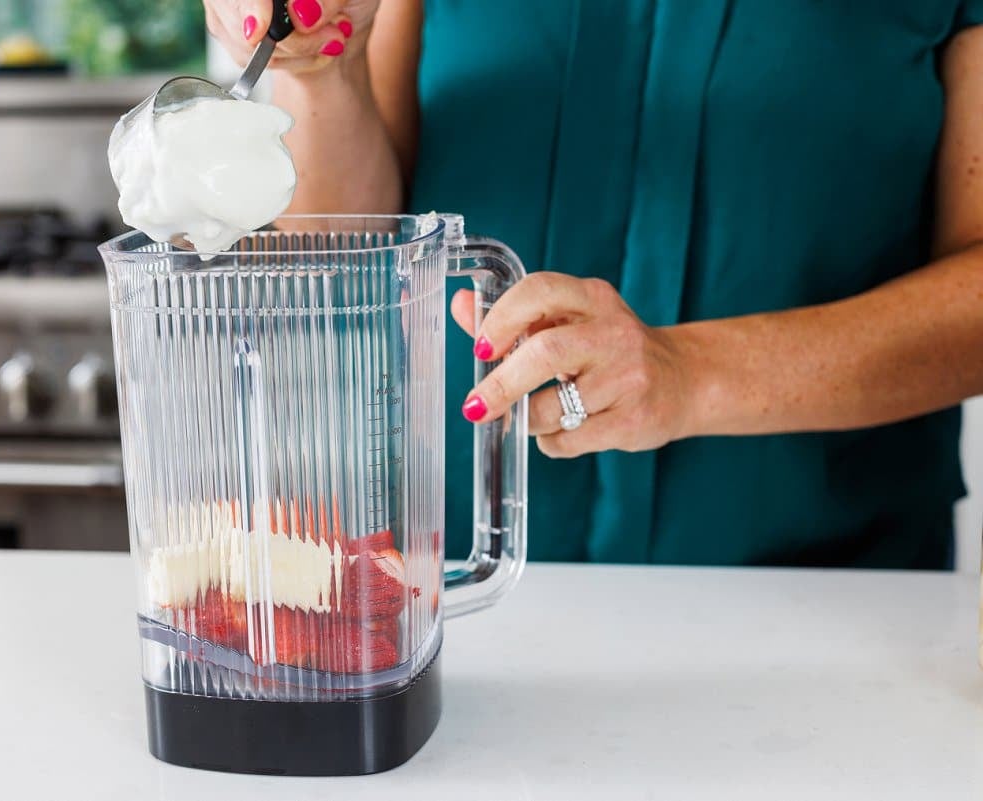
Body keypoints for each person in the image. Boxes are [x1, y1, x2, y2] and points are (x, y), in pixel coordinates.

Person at [203, 0, 983, 568]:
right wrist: (324, 74)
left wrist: (689, 375)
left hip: (827, 597)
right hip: (444, 580)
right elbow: (342, 255)